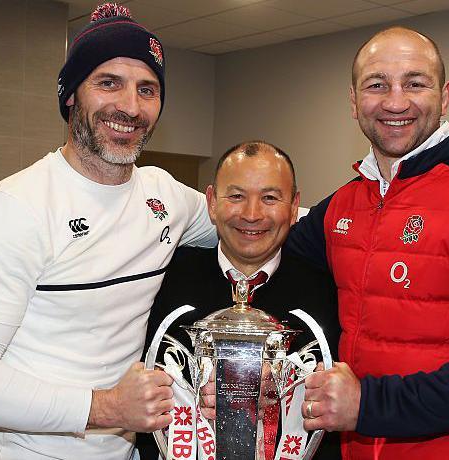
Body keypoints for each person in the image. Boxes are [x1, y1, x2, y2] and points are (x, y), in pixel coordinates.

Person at [0, 4, 216, 459]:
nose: (129, 106)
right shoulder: (11, 210)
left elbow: (253, 222)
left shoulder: (165, 195)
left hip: (121, 451)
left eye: (148, 89)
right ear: (70, 96)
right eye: (108, 83)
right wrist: (106, 408)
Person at [285, 26, 449, 459]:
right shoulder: (340, 206)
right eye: (377, 85)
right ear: (354, 101)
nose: (395, 102)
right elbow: (271, 266)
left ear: (444, 97)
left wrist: (369, 405)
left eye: (415, 83)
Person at [139, 140, 341, 459]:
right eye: (236, 196)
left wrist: (287, 385)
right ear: (211, 203)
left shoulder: (331, 291)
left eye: (270, 198)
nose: (251, 214)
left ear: (293, 207)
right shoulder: (163, 278)